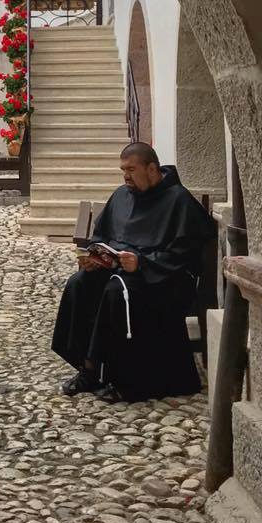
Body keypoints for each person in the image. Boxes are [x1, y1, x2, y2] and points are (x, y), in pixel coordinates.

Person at [52, 142, 215, 403]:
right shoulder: (121, 195)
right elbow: (102, 235)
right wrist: (96, 257)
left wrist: (143, 264)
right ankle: (89, 369)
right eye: (122, 170)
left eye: (131, 169)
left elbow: (185, 255)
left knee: (119, 292)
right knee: (79, 283)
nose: (125, 176)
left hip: (163, 280)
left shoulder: (179, 200)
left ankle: (125, 379)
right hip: (120, 272)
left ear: (152, 169)